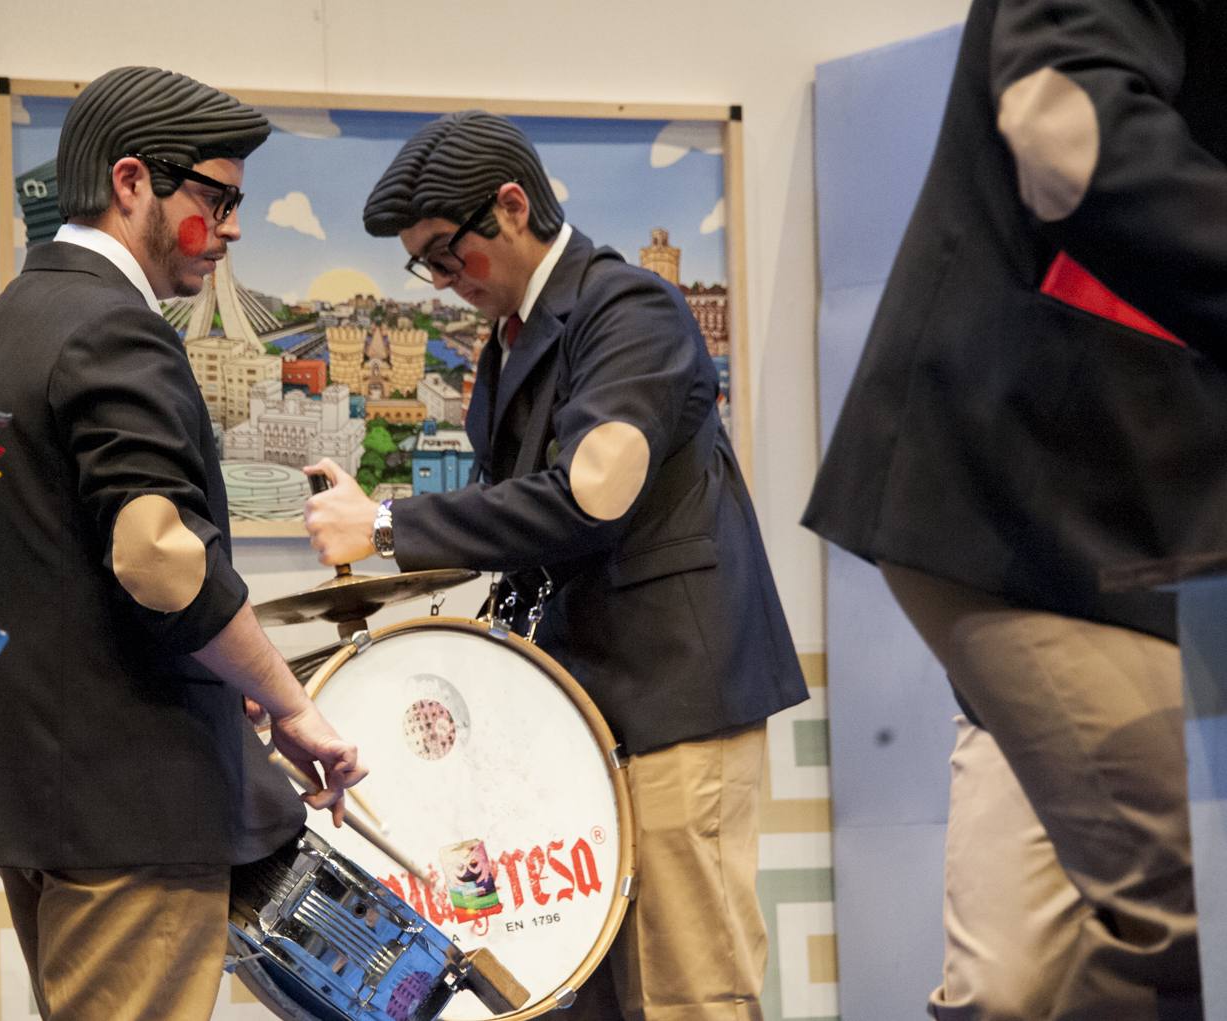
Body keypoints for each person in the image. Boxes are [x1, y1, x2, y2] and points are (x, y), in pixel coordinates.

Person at [303, 110, 809, 1021]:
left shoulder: (631, 310)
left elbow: (587, 498)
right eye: (425, 266)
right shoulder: (509, 341)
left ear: (511, 206)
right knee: (584, 996)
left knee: (687, 989)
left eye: (449, 256)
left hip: (672, 701)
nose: (444, 282)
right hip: (578, 714)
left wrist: (383, 524)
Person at [804, 0, 1227, 1016]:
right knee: (1188, 903)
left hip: (1155, 530)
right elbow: (1064, 137)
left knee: (1022, 983)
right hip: (1019, 499)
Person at [0, 65, 366, 1020]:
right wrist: (288, 702)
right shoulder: (113, 331)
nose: (232, 227)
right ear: (131, 182)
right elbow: (156, 555)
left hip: (30, 794)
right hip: (132, 808)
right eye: (214, 198)